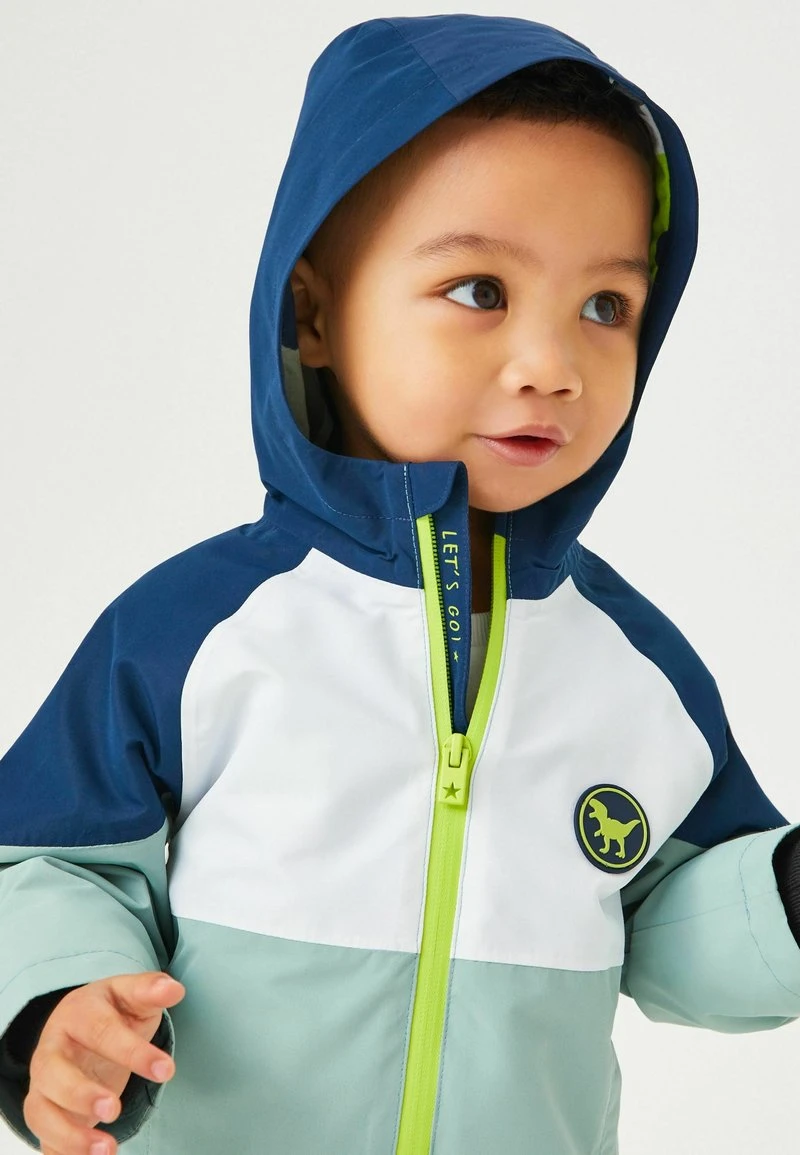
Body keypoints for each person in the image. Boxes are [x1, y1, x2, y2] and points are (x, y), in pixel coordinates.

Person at [2, 12, 800, 1155]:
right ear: (314, 312)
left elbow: (678, 928)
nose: (551, 366)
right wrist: (58, 1004)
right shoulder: (199, 630)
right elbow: (47, 860)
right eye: (479, 290)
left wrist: (780, 897)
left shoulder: (634, 670)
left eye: (604, 307)